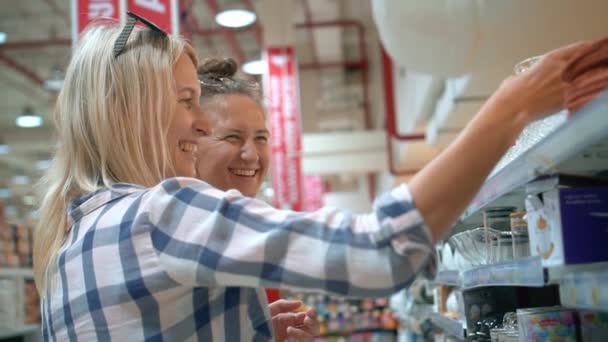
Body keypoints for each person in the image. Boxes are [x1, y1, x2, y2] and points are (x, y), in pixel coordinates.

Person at [33, 11, 589, 341]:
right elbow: (378, 252)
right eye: (184, 101)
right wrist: (512, 105)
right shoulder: (161, 212)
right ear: (131, 111)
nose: (199, 122)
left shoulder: (68, 246)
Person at [195, 58, 319, 342]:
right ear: (192, 140)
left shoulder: (240, 230)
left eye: (261, 138)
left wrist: (257, 333)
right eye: (232, 137)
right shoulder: (176, 228)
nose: (251, 154)